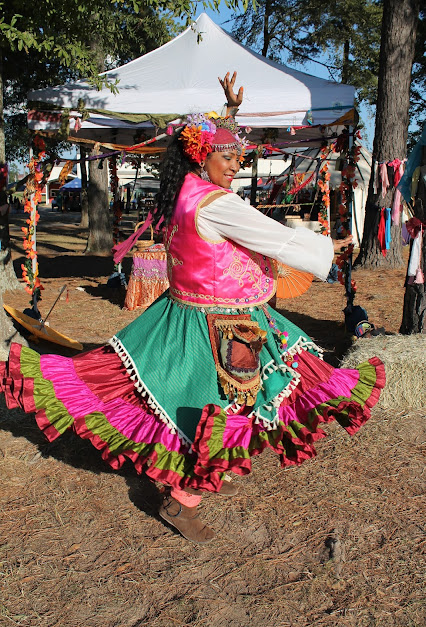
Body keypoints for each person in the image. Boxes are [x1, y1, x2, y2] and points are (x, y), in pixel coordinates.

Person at [0, 72, 385, 544]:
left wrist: (229, 114)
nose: (235, 165)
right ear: (203, 157)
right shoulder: (217, 203)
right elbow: (272, 235)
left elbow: (211, 152)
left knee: (182, 402)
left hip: (186, 314)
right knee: (225, 409)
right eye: (228, 158)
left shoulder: (182, 192)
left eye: (239, 157)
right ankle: (183, 500)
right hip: (223, 325)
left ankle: (181, 491)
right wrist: (331, 246)